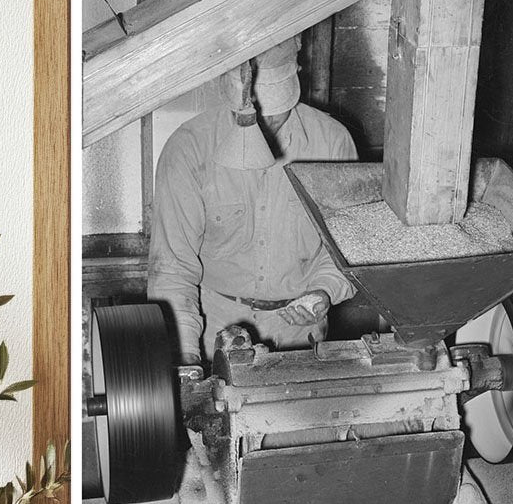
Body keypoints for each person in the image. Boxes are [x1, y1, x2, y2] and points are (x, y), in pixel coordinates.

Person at [147, 36, 357, 365]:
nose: (261, 125)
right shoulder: (188, 149)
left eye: (272, 113)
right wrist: (185, 360)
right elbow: (172, 269)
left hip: (300, 337)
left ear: (297, 77)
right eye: (248, 113)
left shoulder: (332, 144)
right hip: (213, 328)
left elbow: (346, 247)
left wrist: (324, 290)